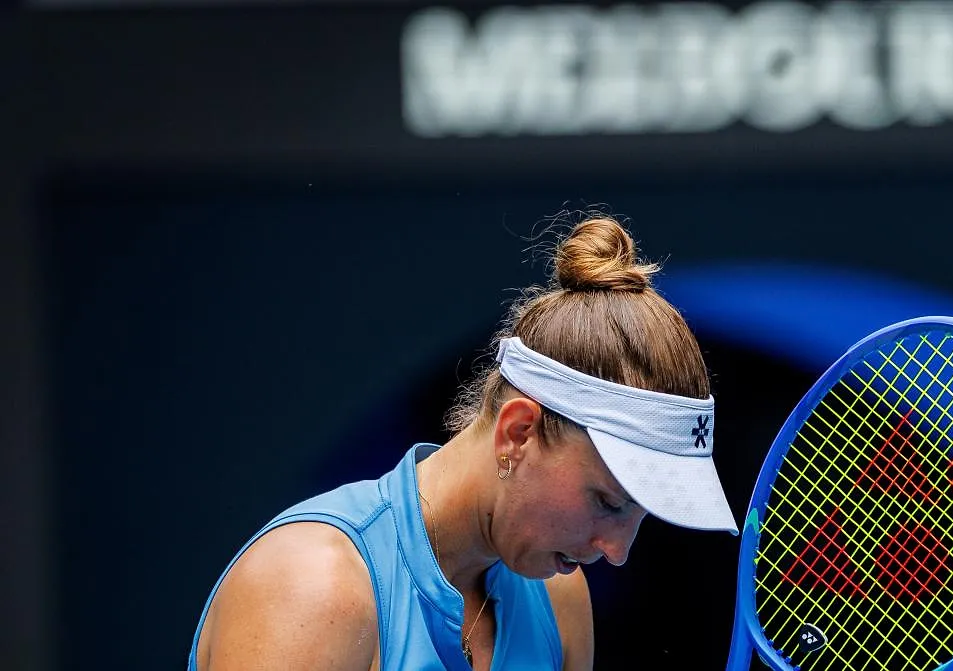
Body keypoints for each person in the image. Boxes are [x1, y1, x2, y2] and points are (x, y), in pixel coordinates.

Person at [187, 215, 740, 671]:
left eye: (638, 515)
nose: (617, 552)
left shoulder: (559, 596)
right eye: (609, 501)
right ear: (518, 432)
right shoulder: (313, 587)